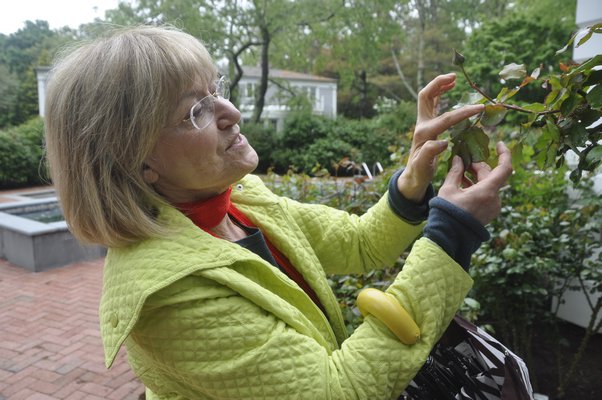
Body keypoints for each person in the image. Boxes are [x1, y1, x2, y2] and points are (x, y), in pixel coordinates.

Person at [44, 25, 512, 400]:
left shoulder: (241, 200)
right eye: (196, 112)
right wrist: (451, 232)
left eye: (217, 90)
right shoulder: (167, 295)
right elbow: (338, 391)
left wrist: (412, 181)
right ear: (137, 160)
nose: (231, 112)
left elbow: (359, 243)